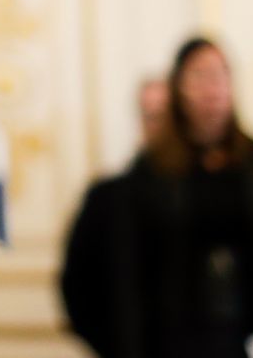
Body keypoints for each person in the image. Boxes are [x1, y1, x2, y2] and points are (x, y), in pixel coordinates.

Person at [62, 38, 253, 358]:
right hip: (179, 341)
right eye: (199, 77)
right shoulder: (148, 176)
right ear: (178, 89)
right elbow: (120, 278)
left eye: (219, 75)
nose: (210, 89)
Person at [60, 74, 171, 354]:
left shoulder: (209, 194)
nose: (158, 127)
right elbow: (75, 284)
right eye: (150, 116)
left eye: (166, 116)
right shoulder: (107, 198)